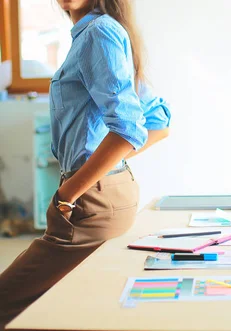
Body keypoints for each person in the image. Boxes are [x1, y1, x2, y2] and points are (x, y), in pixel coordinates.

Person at [0, 0, 171, 328]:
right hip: (104, 192)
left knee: (7, 300)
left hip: (89, 199)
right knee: (63, 307)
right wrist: (102, 168)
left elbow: (131, 129)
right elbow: (157, 120)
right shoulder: (97, 33)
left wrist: (68, 193)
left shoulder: (98, 34)